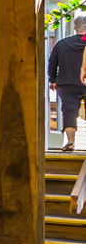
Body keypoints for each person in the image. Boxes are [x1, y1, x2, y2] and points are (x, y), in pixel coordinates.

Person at [49, 15, 86, 152]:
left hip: (67, 83)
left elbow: (52, 64)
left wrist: (53, 80)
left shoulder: (62, 44)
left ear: (75, 28)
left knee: (69, 111)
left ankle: (70, 143)